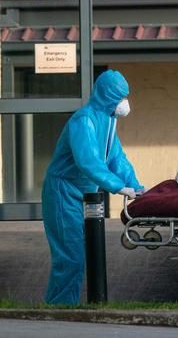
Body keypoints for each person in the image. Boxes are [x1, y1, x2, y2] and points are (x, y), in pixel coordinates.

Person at [42, 70, 144, 304]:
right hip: (63, 192)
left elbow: (116, 157)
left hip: (86, 194)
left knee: (81, 254)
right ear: (108, 96)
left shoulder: (108, 120)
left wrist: (135, 185)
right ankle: (59, 312)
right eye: (120, 97)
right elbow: (88, 161)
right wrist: (118, 186)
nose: (125, 103)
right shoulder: (83, 120)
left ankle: (63, 310)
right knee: (70, 257)